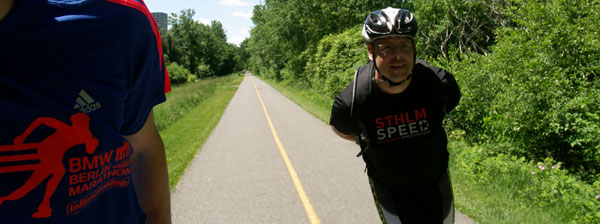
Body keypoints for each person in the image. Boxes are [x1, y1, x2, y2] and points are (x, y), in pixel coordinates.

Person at [0, 0, 172, 223]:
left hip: (53, 161)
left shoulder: (121, 19)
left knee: (41, 181)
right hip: (48, 157)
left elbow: (143, 149)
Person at [330, 7, 461, 224]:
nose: (397, 56)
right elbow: (338, 127)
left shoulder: (439, 84)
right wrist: (365, 140)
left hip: (435, 181)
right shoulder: (353, 99)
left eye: (404, 45)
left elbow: (448, 104)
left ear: (414, 48)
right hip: (388, 187)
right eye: (387, 47)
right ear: (370, 51)